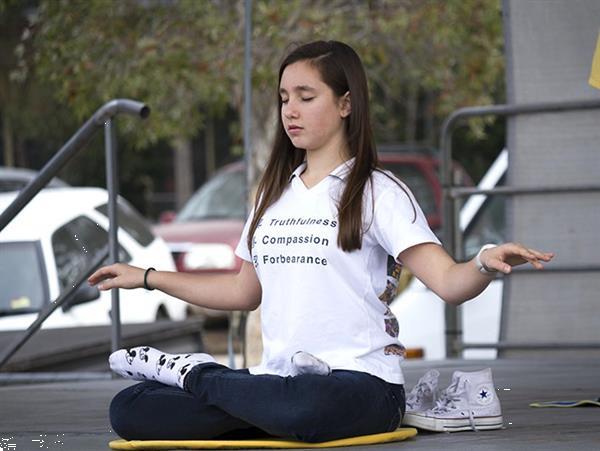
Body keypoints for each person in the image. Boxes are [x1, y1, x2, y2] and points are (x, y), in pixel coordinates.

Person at [88, 40, 553, 442]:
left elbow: (449, 282)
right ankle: (248, 401)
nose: (290, 110)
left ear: (346, 104)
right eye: (284, 97)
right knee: (131, 409)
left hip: (359, 385)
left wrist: (485, 263)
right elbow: (242, 292)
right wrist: (146, 277)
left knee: (309, 409)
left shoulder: (377, 191)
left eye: (306, 97)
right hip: (278, 380)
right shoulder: (272, 195)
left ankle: (199, 376)